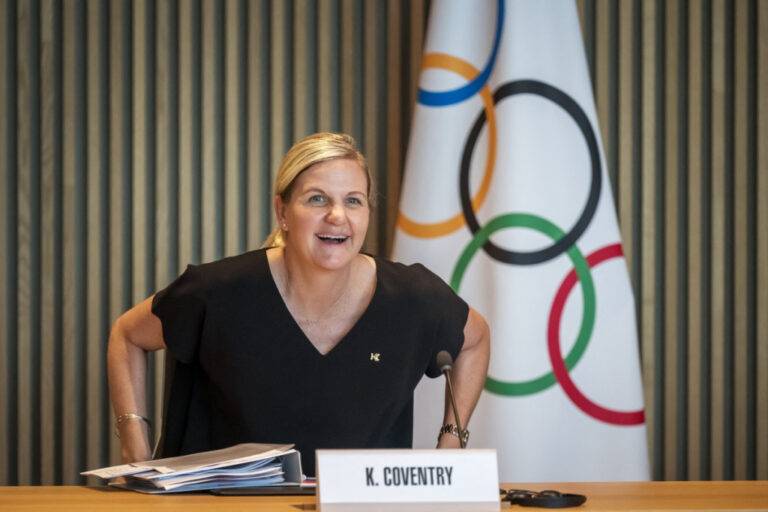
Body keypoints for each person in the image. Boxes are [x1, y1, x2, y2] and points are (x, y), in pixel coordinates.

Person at [107, 132, 490, 474]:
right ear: (282, 212)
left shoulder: (411, 297)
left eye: (353, 201)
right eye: (317, 199)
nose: (337, 216)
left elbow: (475, 339)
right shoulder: (216, 291)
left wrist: (451, 444)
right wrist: (135, 449)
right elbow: (128, 335)